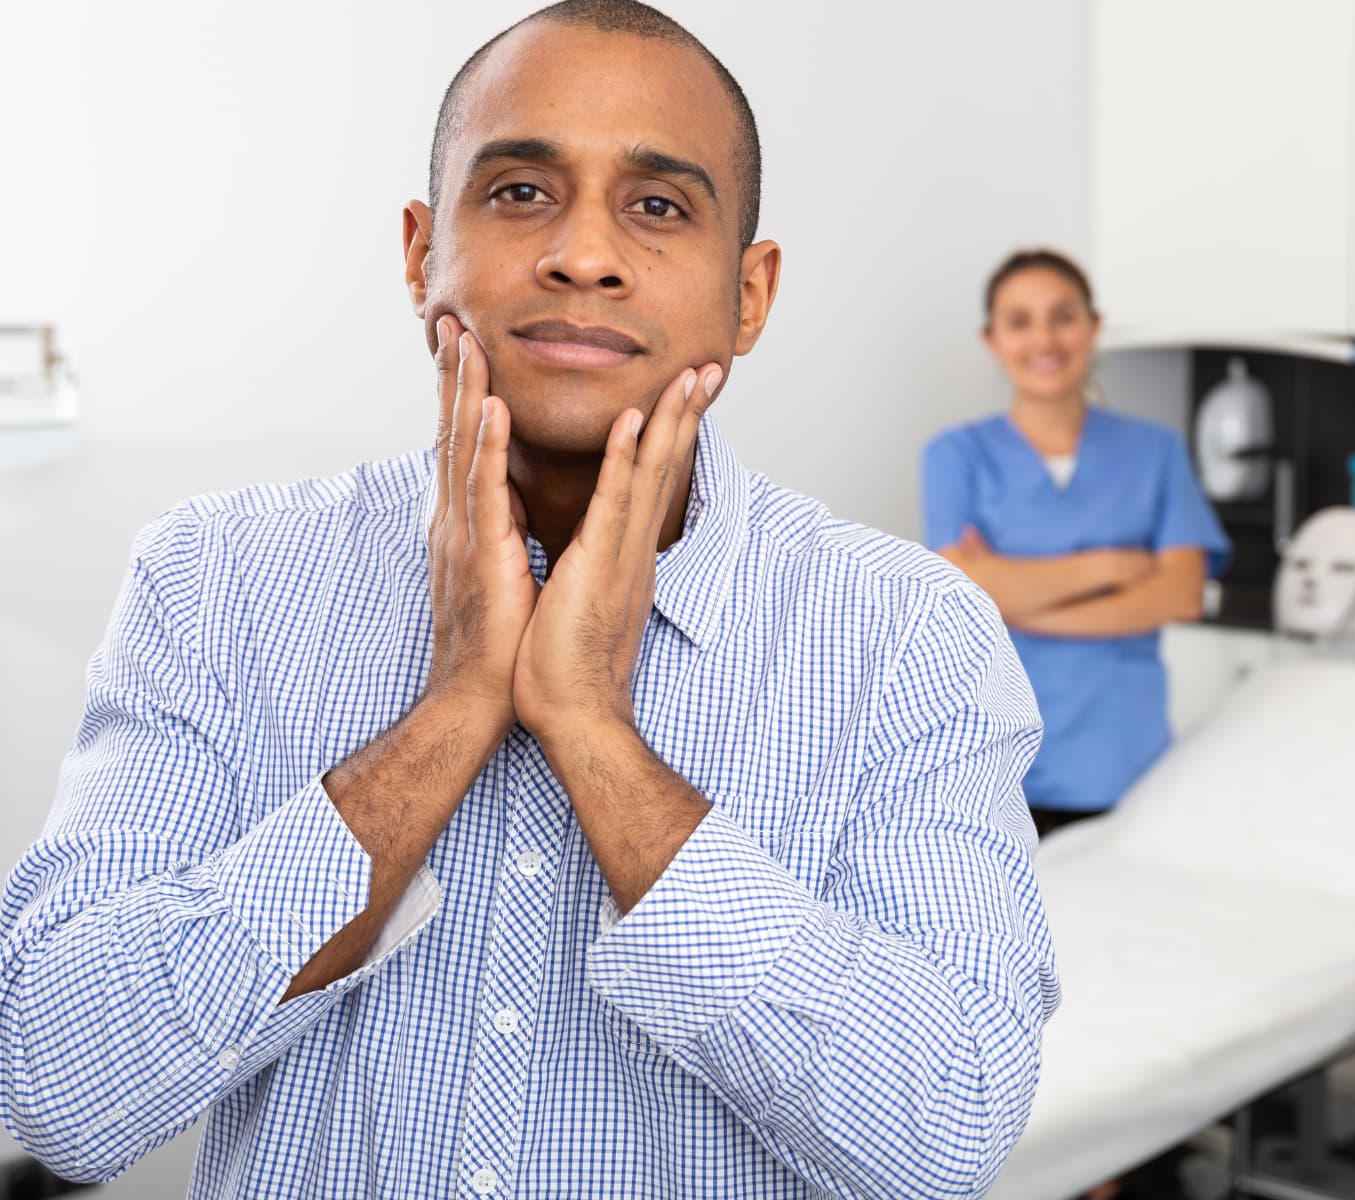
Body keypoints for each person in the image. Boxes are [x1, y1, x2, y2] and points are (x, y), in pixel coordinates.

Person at [0, 6, 1058, 1197]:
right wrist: (453, 712)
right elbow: (57, 1087)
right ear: (419, 252)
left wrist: (592, 729)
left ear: (749, 293)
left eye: (659, 206)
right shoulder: (213, 578)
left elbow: (943, 1134)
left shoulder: (907, 632)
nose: (584, 256)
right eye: (517, 192)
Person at [923, 250, 1232, 840]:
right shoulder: (955, 456)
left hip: (1123, 762)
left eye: (1063, 317)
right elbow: (963, 591)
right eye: (1020, 322)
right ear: (992, 340)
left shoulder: (1154, 451)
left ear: (1094, 326)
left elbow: (1183, 594)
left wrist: (1013, 595)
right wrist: (1111, 565)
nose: (1044, 338)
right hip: (995, 766)